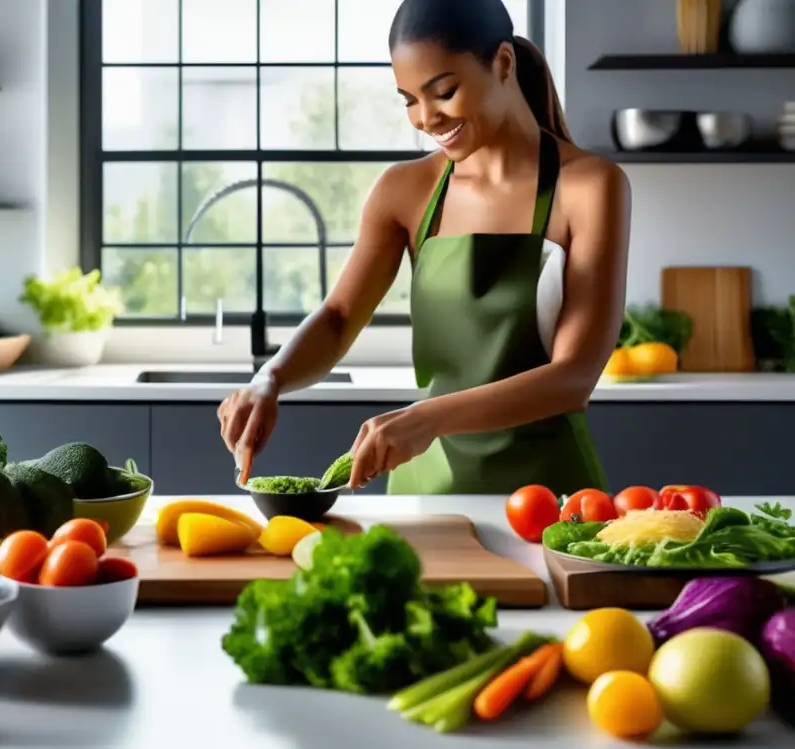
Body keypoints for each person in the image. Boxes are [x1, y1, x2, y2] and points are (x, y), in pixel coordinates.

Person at [218, 0, 631, 495]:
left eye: (443, 92)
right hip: (425, 494)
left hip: (550, 499)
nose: (425, 118)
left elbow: (574, 377)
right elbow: (338, 318)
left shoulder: (589, 187)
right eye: (408, 99)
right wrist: (271, 377)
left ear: (502, 64)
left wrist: (427, 418)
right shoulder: (404, 191)